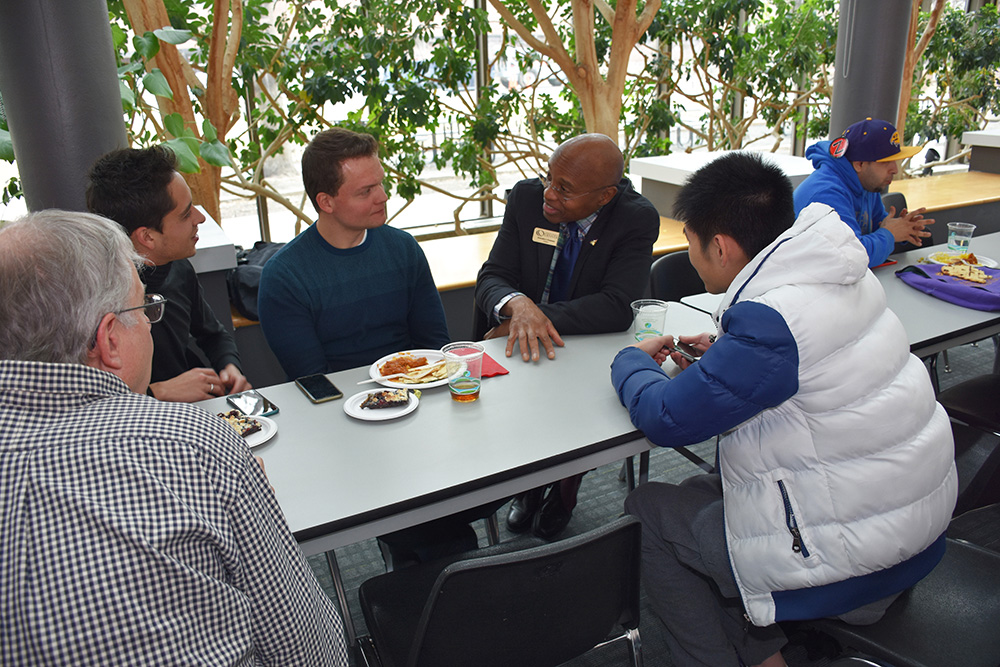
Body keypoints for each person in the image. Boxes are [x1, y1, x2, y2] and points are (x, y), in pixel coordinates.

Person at [611, 152, 957, 667]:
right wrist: (729, 355)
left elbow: (666, 417)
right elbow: (807, 368)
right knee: (702, 495)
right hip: (913, 529)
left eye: (689, 242)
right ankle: (765, 653)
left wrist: (629, 362)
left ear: (722, 246)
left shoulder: (772, 322)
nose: (690, 253)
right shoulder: (839, 276)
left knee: (649, 510)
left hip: (859, 565)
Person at [0, 210, 348, 666]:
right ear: (108, 341)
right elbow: (307, 648)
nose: (150, 322)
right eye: (144, 309)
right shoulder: (194, 444)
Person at [475, 133, 659, 539]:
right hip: (520, 348)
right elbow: (492, 277)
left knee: (587, 411)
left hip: (585, 346)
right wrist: (519, 308)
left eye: (565, 189)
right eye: (549, 178)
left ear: (605, 196)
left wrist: (536, 318)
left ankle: (566, 488)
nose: (549, 194)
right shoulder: (526, 200)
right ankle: (530, 485)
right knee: (520, 415)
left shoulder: (635, 219)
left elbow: (615, 305)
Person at [257, 127, 449, 378]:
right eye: (366, 191)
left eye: (380, 183)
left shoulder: (404, 249)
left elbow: (435, 348)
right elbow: (313, 379)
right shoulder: (284, 277)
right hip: (336, 408)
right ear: (326, 202)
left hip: (416, 392)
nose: (383, 196)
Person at [86, 146, 251, 402]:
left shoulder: (178, 267)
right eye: (186, 214)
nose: (199, 217)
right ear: (147, 236)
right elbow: (86, 399)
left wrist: (229, 365)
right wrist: (158, 393)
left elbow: (212, 333)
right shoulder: (90, 299)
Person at [793, 117, 934, 267]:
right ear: (859, 164)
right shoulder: (826, 194)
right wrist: (890, 234)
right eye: (886, 162)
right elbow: (851, 257)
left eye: (895, 160)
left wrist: (903, 228)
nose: (895, 169)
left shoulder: (867, 184)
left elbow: (879, 226)